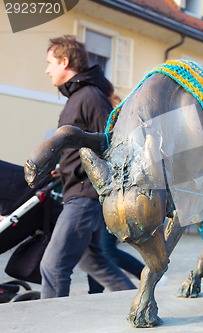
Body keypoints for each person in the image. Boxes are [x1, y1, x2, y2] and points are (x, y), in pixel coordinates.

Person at [40, 35, 135, 298]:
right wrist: (63, 167)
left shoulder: (89, 96)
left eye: (50, 63)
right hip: (79, 191)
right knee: (93, 262)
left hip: (85, 195)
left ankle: (52, 324)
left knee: (53, 265)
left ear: (65, 61)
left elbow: (110, 143)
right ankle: (132, 303)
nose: (47, 69)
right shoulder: (79, 96)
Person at [86, 93, 146, 294]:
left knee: (106, 250)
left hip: (112, 197)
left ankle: (145, 274)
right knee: (95, 250)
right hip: (96, 197)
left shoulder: (122, 134)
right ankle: (94, 293)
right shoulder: (105, 129)